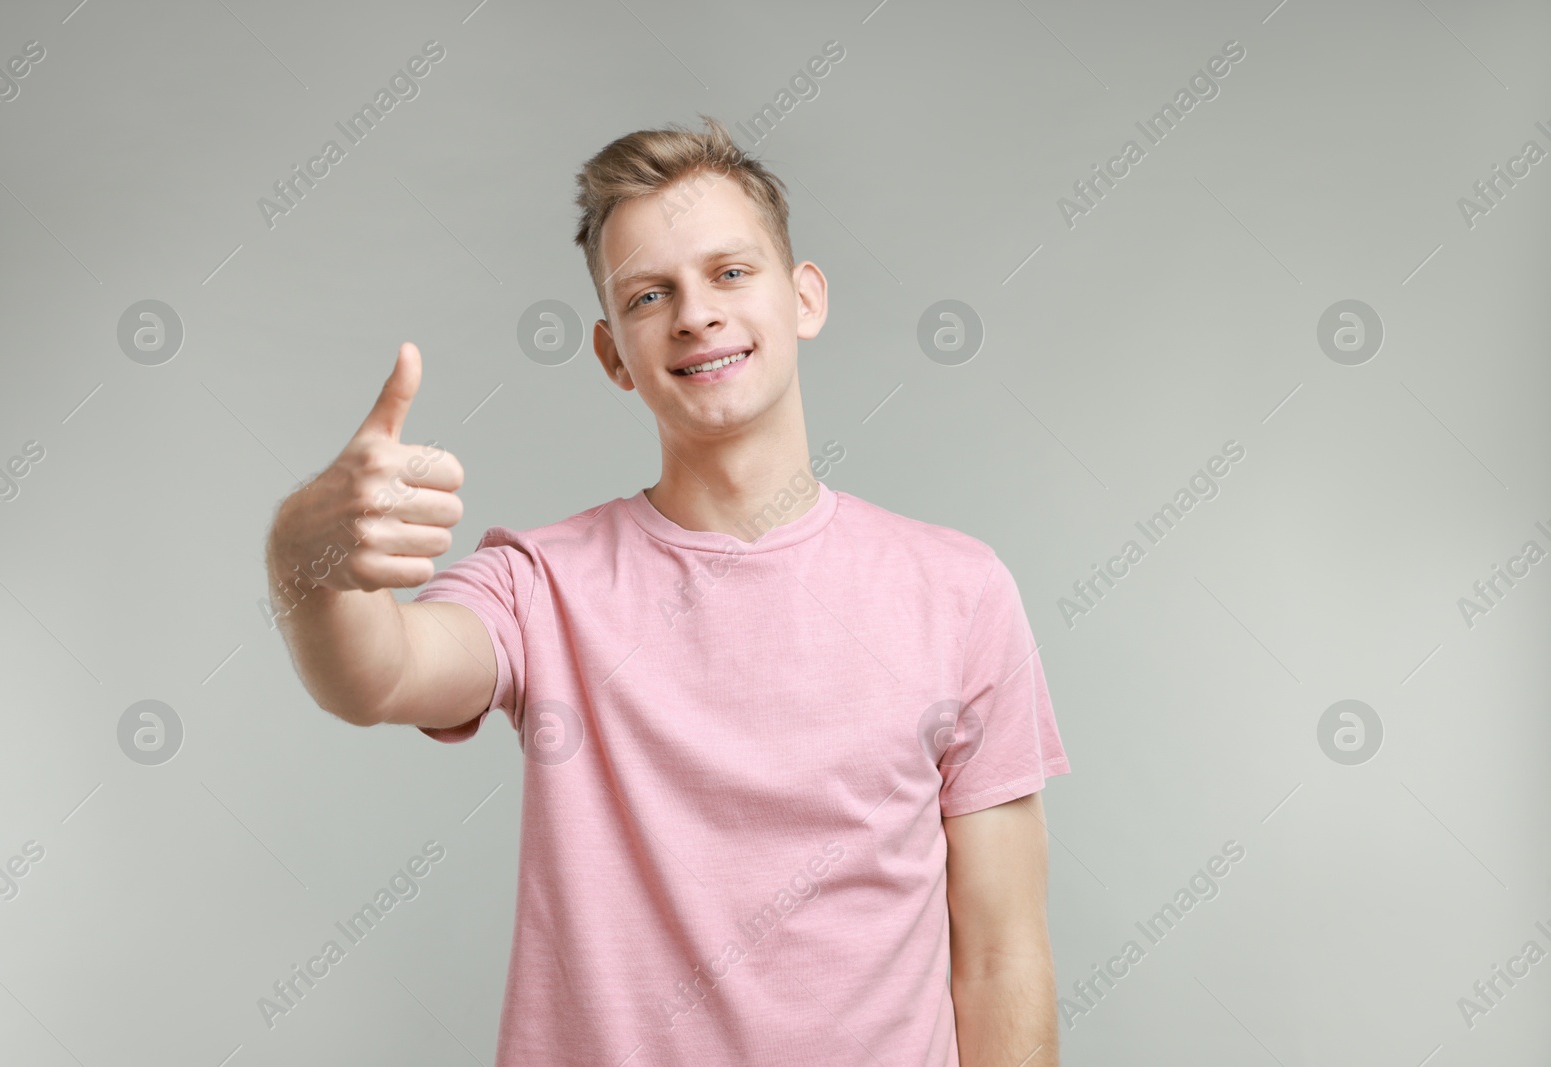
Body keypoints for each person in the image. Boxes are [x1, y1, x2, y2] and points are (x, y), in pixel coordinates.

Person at [264, 114, 1070, 1067]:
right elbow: (378, 675)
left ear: (804, 297)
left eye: (731, 272)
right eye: (650, 295)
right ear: (613, 355)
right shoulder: (541, 585)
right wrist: (303, 555)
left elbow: (1002, 957)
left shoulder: (961, 592)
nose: (696, 313)